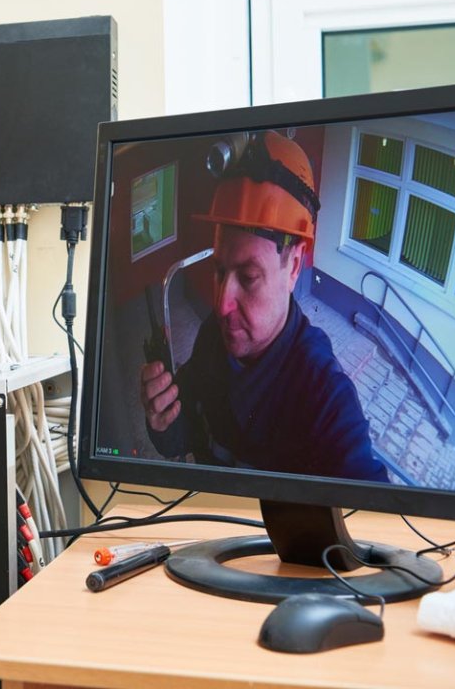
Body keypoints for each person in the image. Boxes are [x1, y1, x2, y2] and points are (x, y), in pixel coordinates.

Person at [139, 131, 389, 483]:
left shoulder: (324, 399)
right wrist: (163, 422)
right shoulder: (214, 336)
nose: (222, 304)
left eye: (249, 277)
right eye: (220, 271)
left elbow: (372, 518)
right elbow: (187, 438)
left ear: (295, 266)